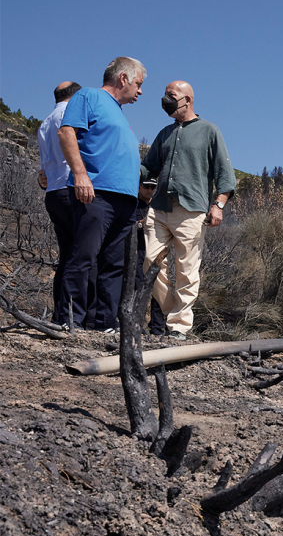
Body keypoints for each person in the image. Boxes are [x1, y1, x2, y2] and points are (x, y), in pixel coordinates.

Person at [141, 81, 236, 340]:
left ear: (188, 99)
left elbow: (225, 175)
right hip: (159, 208)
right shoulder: (164, 134)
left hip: (192, 210)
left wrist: (218, 206)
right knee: (149, 262)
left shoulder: (209, 131)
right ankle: (175, 311)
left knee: (186, 270)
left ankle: (180, 327)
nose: (165, 100)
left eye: (171, 96)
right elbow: (148, 169)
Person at [58, 57, 145, 331]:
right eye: (138, 84)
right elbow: (66, 132)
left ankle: (104, 323)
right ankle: (70, 321)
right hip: (97, 193)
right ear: (123, 78)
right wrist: (81, 174)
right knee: (83, 256)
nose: (140, 91)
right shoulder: (89, 96)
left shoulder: (119, 112)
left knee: (114, 263)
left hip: (125, 200)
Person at [37, 81, 82, 323]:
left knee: (66, 255)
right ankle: (74, 315)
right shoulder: (69, 115)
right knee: (82, 254)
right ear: (76, 96)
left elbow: (43, 168)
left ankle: (61, 313)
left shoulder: (44, 122)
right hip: (71, 188)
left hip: (53, 192)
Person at [133, 179, 166, 337]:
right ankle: (136, 324)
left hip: (157, 251)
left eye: (153, 187)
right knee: (139, 287)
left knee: (159, 288)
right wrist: (142, 224)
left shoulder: (159, 206)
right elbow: (128, 226)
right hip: (139, 250)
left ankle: (158, 327)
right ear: (139, 187)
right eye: (146, 186)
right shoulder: (132, 204)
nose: (149, 190)